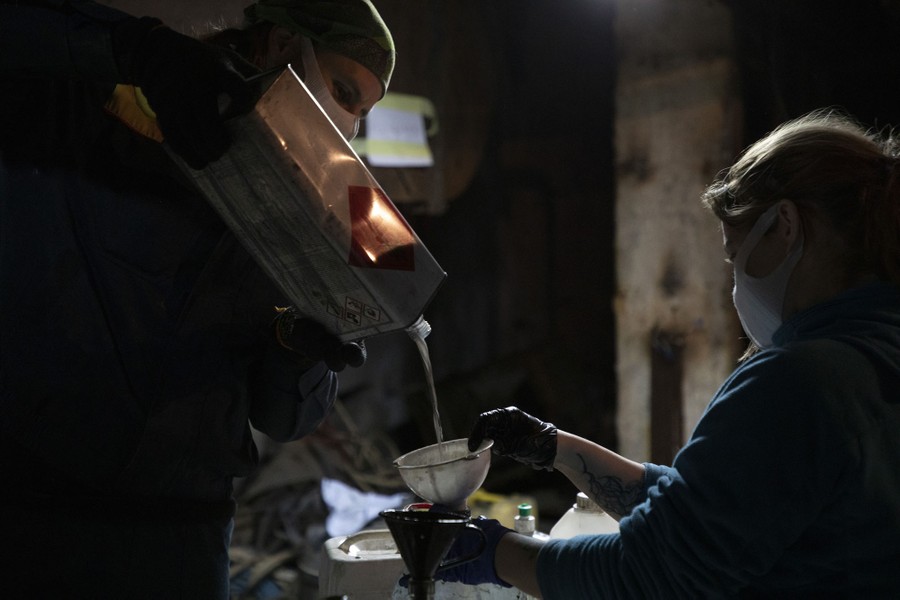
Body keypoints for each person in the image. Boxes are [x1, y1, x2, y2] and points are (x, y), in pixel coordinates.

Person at [0, 0, 394, 597]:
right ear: (283, 41)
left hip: (183, 538)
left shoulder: (312, 211)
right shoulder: (103, 102)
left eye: (362, 112)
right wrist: (135, 50)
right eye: (342, 91)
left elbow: (285, 419)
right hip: (38, 517)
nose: (347, 126)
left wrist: (300, 348)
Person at [436, 110, 900, 598]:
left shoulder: (800, 380)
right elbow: (712, 513)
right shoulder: (873, 358)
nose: (735, 281)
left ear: (784, 225)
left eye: (735, 254)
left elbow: (652, 575)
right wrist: (558, 449)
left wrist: (492, 552)